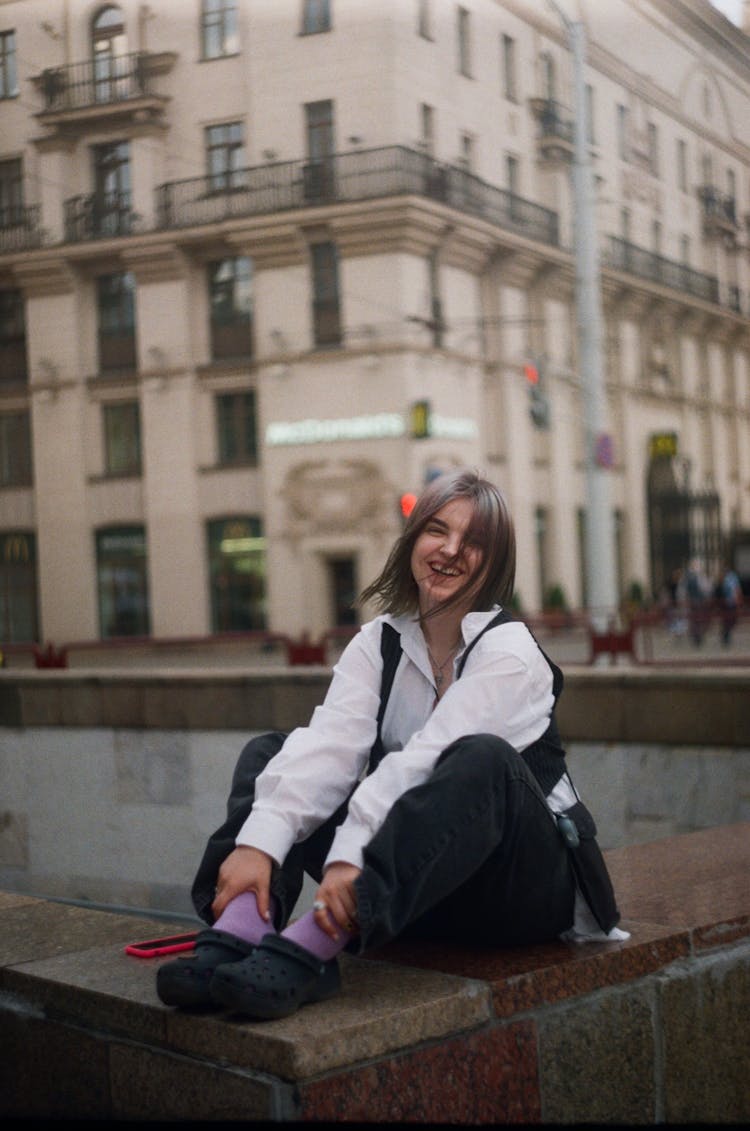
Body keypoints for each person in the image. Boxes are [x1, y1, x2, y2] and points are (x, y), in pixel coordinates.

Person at [157, 468, 625, 1020]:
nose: (451, 550)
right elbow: (331, 745)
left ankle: (312, 947)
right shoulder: (378, 642)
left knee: (482, 758)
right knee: (275, 752)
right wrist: (258, 844)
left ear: (495, 562)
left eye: (474, 542)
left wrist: (352, 854)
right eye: (437, 531)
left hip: (517, 894)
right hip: (423, 893)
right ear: (412, 541)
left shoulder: (511, 653)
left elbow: (426, 761)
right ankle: (242, 924)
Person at [715, 562, 743, 646]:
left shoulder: (731, 577)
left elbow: (736, 589)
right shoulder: (724, 577)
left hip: (730, 602)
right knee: (727, 621)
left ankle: (726, 637)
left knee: (729, 620)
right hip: (726, 603)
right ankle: (725, 638)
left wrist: (738, 599)